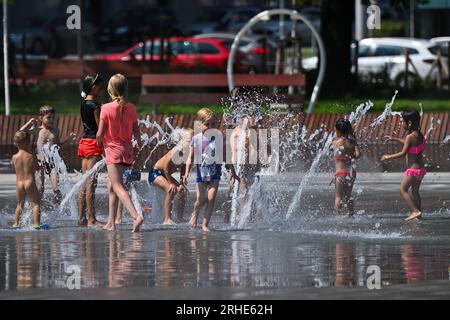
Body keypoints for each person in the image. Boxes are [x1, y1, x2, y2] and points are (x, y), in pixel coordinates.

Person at [97, 74, 144, 232]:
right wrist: (137, 144)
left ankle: (136, 216)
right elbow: (137, 133)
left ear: (110, 90)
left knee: (117, 186)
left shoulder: (106, 108)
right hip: (127, 150)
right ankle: (111, 222)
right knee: (112, 186)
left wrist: (98, 144)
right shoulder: (131, 107)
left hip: (113, 151)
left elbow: (100, 133)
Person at [183, 108, 239, 232]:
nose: (211, 127)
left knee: (211, 197)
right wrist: (186, 173)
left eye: (213, 124)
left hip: (215, 171)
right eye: (207, 124)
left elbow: (226, 156)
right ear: (199, 124)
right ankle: (195, 213)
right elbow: (189, 157)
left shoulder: (219, 137)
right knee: (202, 198)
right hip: (201, 172)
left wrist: (233, 173)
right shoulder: (196, 139)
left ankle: (205, 224)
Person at [381, 110, 426, 221]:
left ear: (409, 123)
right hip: (420, 169)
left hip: (412, 170)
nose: (402, 124)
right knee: (415, 192)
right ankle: (419, 214)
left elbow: (403, 153)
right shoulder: (419, 134)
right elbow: (410, 145)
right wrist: (394, 139)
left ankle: (415, 211)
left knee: (403, 190)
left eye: (403, 122)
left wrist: (388, 157)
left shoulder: (409, 137)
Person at [148, 128, 192, 225]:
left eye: (193, 141)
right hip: (156, 173)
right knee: (170, 189)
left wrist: (181, 183)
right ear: (181, 141)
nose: (191, 143)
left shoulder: (186, 154)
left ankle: (180, 218)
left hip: (165, 174)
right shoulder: (175, 151)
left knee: (182, 191)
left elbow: (183, 169)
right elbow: (165, 168)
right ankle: (167, 219)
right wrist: (171, 183)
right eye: (189, 141)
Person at [77, 74, 104, 227]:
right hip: (94, 143)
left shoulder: (83, 104)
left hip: (84, 142)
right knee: (91, 183)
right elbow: (100, 128)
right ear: (94, 87)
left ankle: (81, 218)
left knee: (83, 182)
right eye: (100, 88)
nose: (101, 91)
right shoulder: (94, 106)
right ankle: (92, 219)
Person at [35, 106, 76, 202]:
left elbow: (58, 145)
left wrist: (68, 139)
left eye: (53, 117)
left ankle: (57, 209)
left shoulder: (55, 130)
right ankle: (37, 208)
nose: (51, 120)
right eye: (48, 117)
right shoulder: (37, 130)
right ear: (41, 118)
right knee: (40, 188)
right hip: (39, 162)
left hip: (52, 162)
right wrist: (29, 124)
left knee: (56, 188)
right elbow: (21, 134)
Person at [11, 124, 42, 229]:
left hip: (19, 183)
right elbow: (37, 168)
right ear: (29, 143)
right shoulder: (31, 156)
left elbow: (14, 167)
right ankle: (37, 224)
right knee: (36, 204)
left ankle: (16, 224)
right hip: (30, 182)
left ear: (15, 143)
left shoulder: (14, 157)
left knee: (19, 204)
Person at [331, 118, 361, 217]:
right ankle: (351, 214)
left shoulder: (336, 142)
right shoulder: (352, 142)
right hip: (351, 174)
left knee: (338, 196)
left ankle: (338, 216)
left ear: (338, 131)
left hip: (340, 174)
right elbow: (358, 155)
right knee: (348, 195)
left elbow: (332, 153)